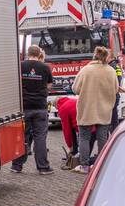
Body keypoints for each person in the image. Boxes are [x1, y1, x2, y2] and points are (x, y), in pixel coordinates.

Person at [72, 46, 118, 173]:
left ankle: (84, 165)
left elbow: (75, 89)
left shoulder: (86, 70)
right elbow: (116, 89)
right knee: (103, 137)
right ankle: (102, 165)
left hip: (87, 108)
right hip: (104, 108)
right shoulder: (111, 71)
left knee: (84, 137)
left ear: (94, 55)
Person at [11, 44, 54, 174]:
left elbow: (15, 83)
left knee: (22, 136)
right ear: (39, 54)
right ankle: (43, 167)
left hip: (24, 106)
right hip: (40, 106)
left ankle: (17, 166)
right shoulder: (45, 68)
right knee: (40, 137)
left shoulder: (21, 66)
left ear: (28, 53)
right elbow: (49, 86)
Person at [56, 95, 79, 170]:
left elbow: (67, 130)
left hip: (84, 127)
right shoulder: (72, 100)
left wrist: (70, 146)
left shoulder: (63, 108)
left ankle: (79, 161)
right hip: (92, 123)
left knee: (84, 144)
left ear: (56, 105)